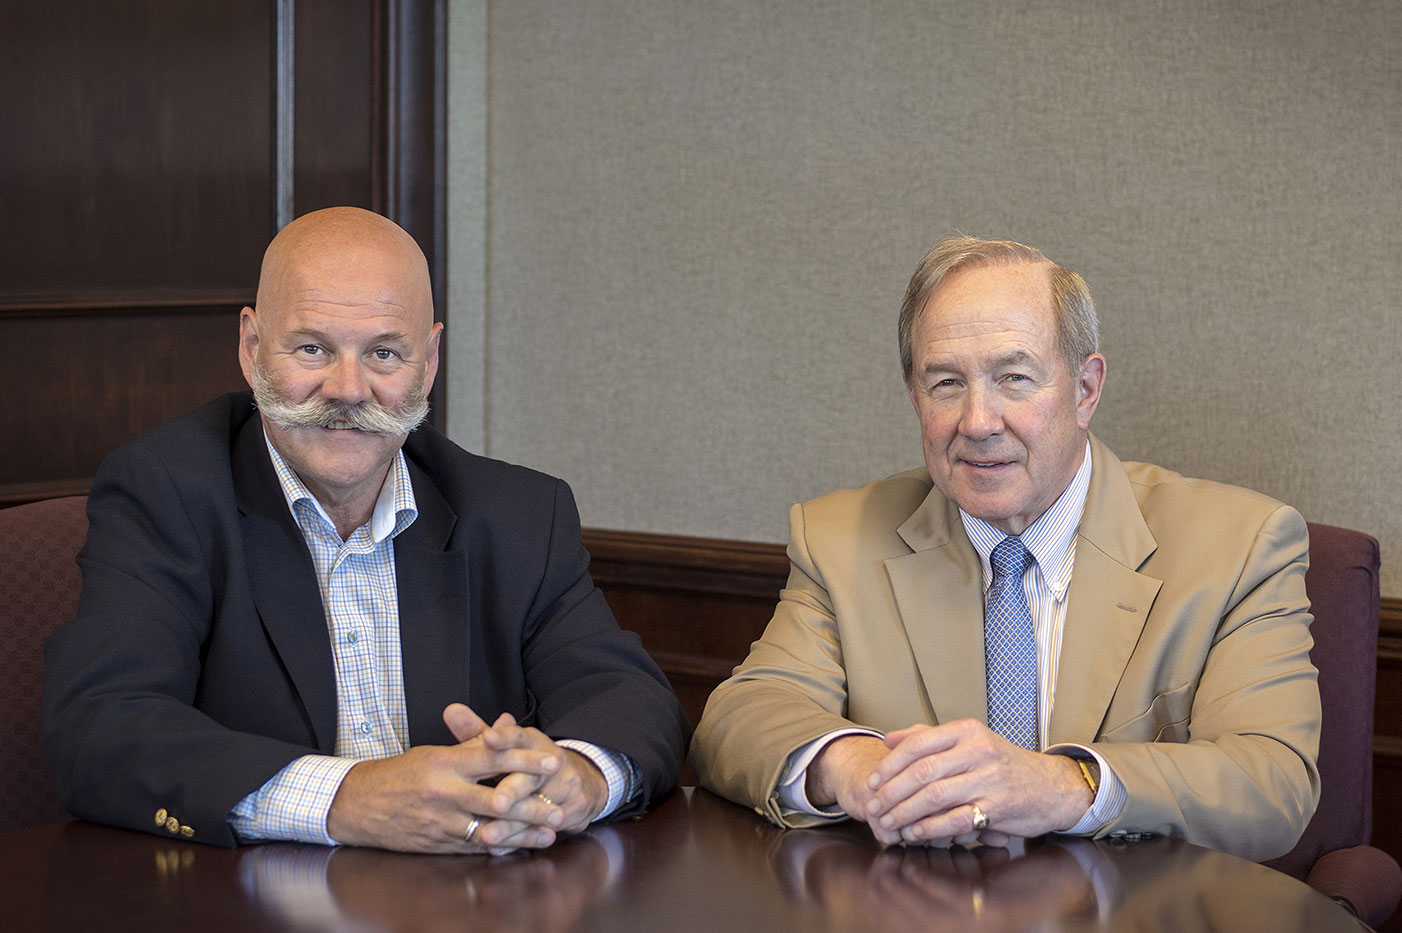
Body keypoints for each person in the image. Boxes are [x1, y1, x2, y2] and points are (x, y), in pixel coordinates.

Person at [43, 207, 689, 853]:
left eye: (384, 353)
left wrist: (577, 777)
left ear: (428, 360)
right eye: (313, 348)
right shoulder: (166, 491)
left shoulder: (518, 512)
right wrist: (348, 798)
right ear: (251, 347)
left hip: (474, 891)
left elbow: (630, 696)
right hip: (250, 894)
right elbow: (101, 727)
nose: (348, 389)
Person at [691, 235, 1320, 862]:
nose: (978, 422)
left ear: (1085, 389)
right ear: (914, 396)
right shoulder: (839, 539)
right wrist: (859, 768)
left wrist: (1064, 785)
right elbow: (736, 720)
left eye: (1013, 378)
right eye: (945, 383)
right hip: (912, 903)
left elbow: (1272, 783)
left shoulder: (1240, 546)